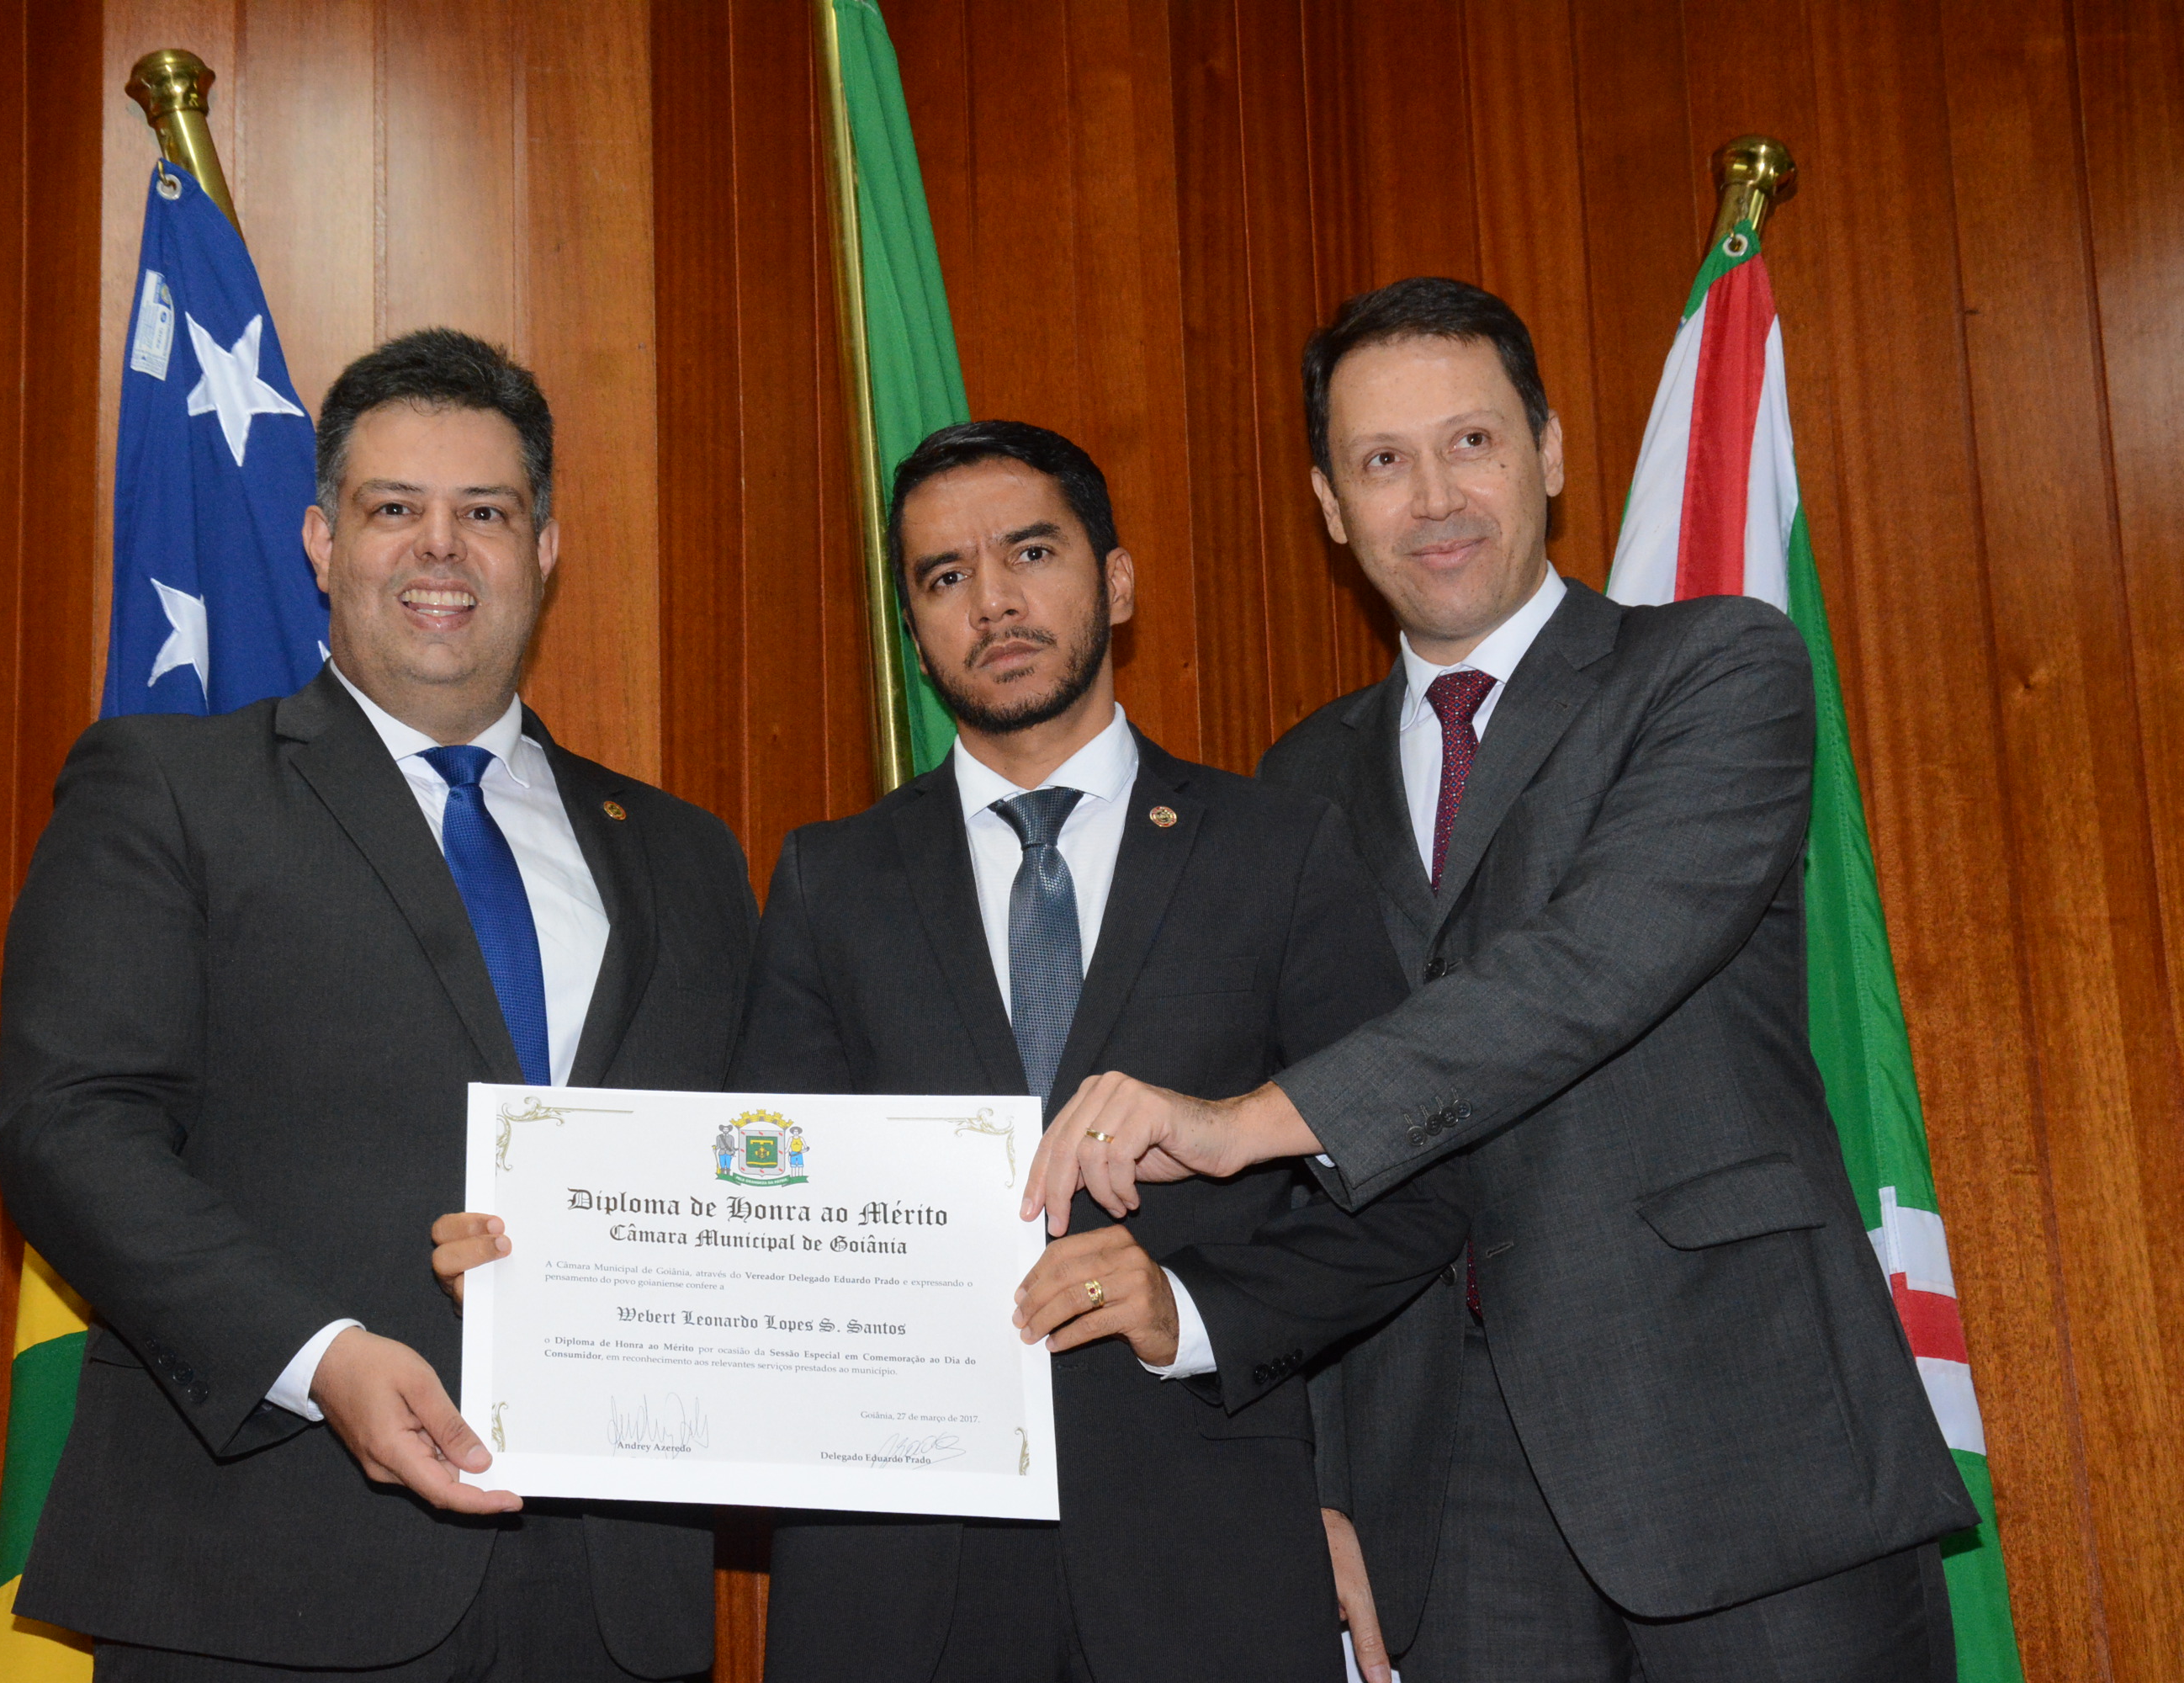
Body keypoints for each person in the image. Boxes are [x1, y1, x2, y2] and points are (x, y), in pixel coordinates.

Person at [1020, 278, 1975, 1683]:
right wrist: (1318, 1480)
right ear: (1331, 508)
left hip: (1738, 1425)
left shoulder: (1714, 670)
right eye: (1381, 462)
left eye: (1470, 442)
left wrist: (1246, 1119)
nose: (1434, 499)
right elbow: (1295, 1205)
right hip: (1442, 1480)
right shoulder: (1297, 783)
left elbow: (1587, 971)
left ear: (1552, 452)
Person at [0, 329, 757, 1681]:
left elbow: (754, 1165)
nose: (439, 548)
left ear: (545, 549)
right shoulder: (168, 788)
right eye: (393, 508)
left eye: (486, 513)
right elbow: (70, 1128)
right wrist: (319, 1357)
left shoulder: (684, 854)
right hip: (264, 1567)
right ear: (322, 542)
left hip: (608, 1594)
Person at [723, 420, 1471, 1683]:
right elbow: (760, 1215)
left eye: (1031, 553)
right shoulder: (828, 880)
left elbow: (1412, 1193)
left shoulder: (1278, 850)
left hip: (1203, 1551)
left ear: (1116, 583)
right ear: (914, 629)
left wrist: (1192, 1312)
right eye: (945, 576)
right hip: (898, 1575)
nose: (993, 601)